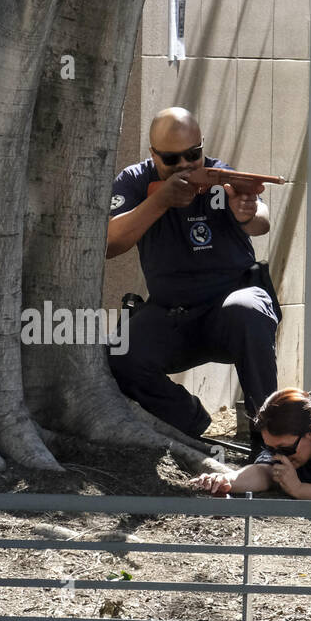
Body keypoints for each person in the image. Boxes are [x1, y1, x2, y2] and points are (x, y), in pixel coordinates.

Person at [105, 107, 278, 443]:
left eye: (193, 155)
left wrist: (248, 213)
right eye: (171, 159)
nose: (184, 166)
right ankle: (191, 422)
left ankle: (270, 443)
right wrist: (161, 202)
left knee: (250, 310)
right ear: (153, 155)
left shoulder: (217, 174)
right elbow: (110, 243)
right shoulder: (135, 182)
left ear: (202, 147)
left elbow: (262, 219)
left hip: (229, 311)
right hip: (172, 313)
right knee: (119, 353)